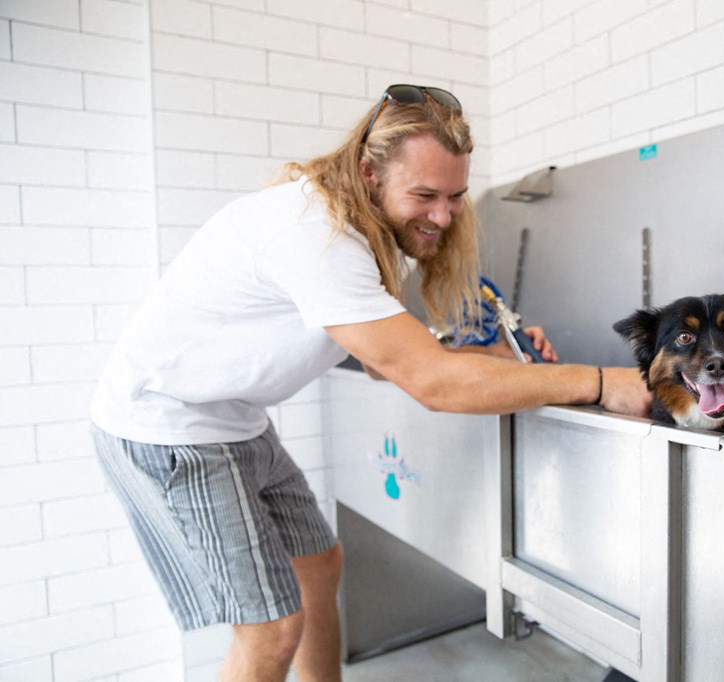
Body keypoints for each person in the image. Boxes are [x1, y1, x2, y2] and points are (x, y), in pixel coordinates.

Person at [90, 84, 651, 682]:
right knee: (270, 628)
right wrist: (601, 382)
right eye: (425, 195)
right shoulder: (315, 233)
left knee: (319, 565)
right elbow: (430, 383)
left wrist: (490, 354)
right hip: (170, 427)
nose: (442, 216)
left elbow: (392, 357)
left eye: (457, 197)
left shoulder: (364, 225)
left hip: (236, 419)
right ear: (368, 171)